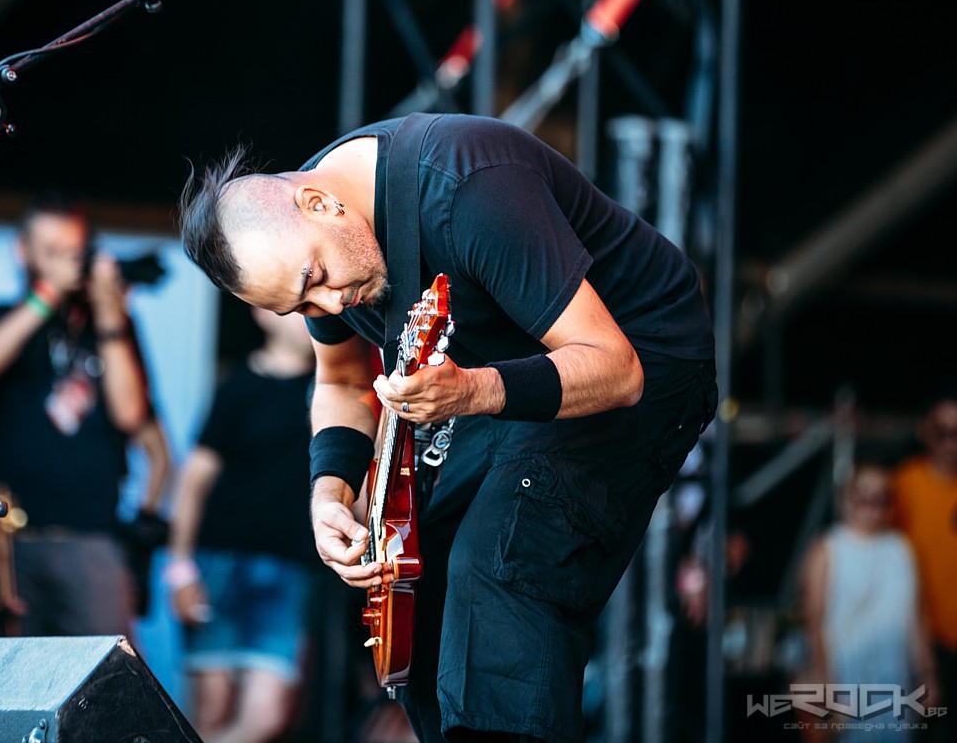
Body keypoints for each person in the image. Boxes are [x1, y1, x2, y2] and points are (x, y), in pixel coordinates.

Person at [178, 112, 717, 743]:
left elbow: (617, 369)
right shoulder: (316, 242)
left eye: (314, 281)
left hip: (640, 352)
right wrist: (329, 492)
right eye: (300, 307)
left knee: (499, 562)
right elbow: (341, 381)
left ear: (319, 202)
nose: (328, 305)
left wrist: (471, 391)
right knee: (417, 585)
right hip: (497, 373)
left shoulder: (467, 187)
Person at [0, 193, 153, 637]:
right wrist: (46, 297)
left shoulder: (111, 326)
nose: (66, 263)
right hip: (9, 541)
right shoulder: (6, 317)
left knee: (107, 667)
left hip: (91, 536)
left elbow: (131, 416)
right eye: (52, 251)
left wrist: (109, 315)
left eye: (74, 252)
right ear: (23, 252)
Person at [163, 306, 318, 743]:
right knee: (208, 711)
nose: (309, 317)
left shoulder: (334, 391)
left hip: (291, 570)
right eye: (297, 309)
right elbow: (194, 479)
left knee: (268, 716)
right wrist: (179, 569)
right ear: (263, 313)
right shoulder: (237, 388)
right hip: (220, 564)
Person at [798, 462, 937, 742]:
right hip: (844, 681)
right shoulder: (827, 549)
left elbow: (915, 619)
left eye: (881, 496)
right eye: (863, 494)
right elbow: (813, 622)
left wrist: (927, 674)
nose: (872, 504)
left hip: (894, 681)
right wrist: (825, 684)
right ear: (846, 497)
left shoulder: (901, 550)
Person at [892, 389, 957, 740]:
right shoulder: (903, 486)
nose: (951, 442)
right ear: (924, 431)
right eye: (942, 432)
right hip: (923, 646)